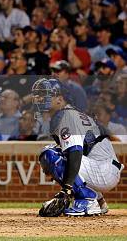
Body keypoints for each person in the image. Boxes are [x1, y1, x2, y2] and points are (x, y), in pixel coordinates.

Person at [33, 78, 123, 216]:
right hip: (104, 167)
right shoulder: (71, 113)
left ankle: (86, 200)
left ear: (59, 99)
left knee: (50, 154)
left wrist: (66, 189)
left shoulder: (66, 116)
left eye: (45, 95)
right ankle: (98, 201)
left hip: (103, 169)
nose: (40, 99)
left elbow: (75, 152)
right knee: (58, 153)